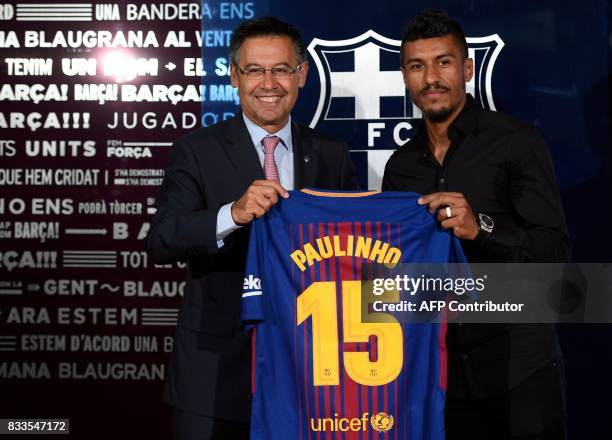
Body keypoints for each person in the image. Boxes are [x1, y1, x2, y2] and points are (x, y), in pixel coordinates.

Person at [146, 16, 357, 440]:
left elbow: (354, 251)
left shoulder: (331, 154)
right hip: (215, 373)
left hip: (311, 370)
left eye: (281, 69)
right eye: (254, 70)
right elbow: (162, 240)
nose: (268, 83)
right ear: (234, 77)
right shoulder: (197, 150)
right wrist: (233, 214)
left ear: (302, 75)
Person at [382, 9, 570, 440]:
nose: (431, 78)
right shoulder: (400, 167)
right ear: (405, 77)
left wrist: (481, 227)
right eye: (417, 66)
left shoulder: (516, 142)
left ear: (466, 68)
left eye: (443, 62)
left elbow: (555, 253)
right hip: (442, 380)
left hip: (519, 373)